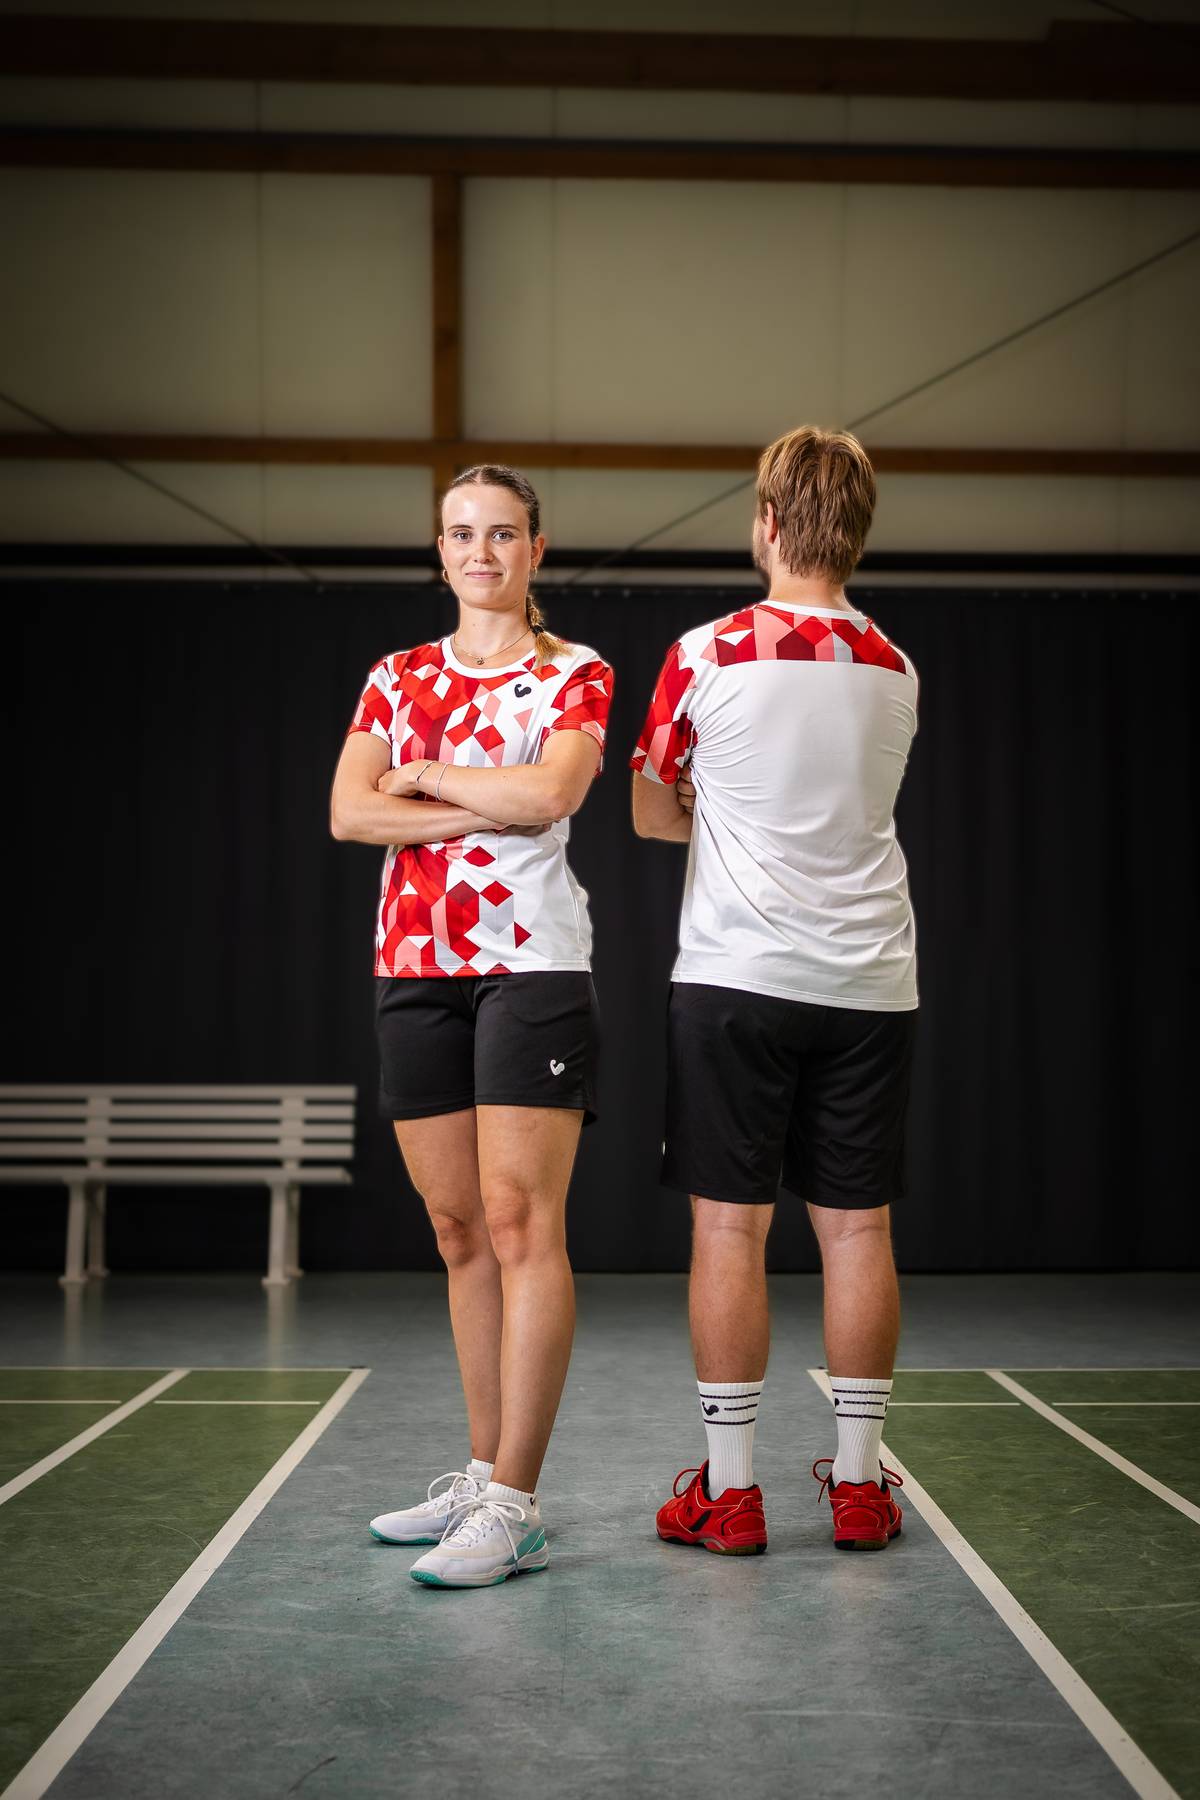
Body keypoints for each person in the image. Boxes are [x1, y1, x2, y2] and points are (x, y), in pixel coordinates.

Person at [630, 426, 917, 1555]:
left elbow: (656, 808)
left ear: (765, 524)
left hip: (737, 980)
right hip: (870, 982)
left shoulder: (703, 652)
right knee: (857, 1234)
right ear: (857, 531)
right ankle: (856, 1485)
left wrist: (724, 813)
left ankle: (734, 1491)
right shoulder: (897, 665)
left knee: (729, 1231)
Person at [331, 464, 612, 1588]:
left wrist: (432, 779)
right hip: (414, 966)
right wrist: (478, 795)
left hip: (532, 968)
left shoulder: (574, 672)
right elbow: (352, 812)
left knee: (517, 1220)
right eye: (461, 534)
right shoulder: (395, 673)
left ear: (536, 550)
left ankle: (516, 1505)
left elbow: (554, 797)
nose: (480, 552)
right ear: (439, 550)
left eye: (503, 534)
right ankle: (480, 1471)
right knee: (456, 1230)